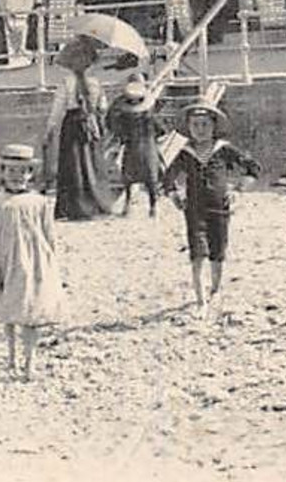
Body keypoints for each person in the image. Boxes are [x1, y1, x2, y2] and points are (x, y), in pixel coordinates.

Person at [163, 101, 261, 319]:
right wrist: (174, 195)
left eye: (205, 124)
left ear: (214, 126)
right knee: (197, 254)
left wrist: (238, 189)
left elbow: (252, 167)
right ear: (188, 127)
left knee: (218, 252)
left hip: (219, 209)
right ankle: (200, 301)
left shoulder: (223, 150)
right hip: (194, 211)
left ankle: (215, 290)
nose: (200, 129)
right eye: (195, 125)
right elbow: (168, 176)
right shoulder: (185, 153)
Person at [0, 143, 62, 380]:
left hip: (36, 265)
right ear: (2, 172)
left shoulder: (39, 202)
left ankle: (30, 363)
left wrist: (50, 263)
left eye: (22, 171)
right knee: (10, 310)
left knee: (32, 313)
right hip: (8, 264)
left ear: (30, 174)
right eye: (11, 171)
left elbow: (49, 234)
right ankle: (12, 358)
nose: (17, 176)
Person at [42, 38, 118, 220]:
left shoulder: (67, 83)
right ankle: (95, 203)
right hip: (90, 125)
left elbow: (58, 109)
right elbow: (103, 107)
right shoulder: (95, 82)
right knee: (92, 164)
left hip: (72, 124)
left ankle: (74, 207)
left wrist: (49, 130)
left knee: (72, 165)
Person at [106, 73, 166, 216]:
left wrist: (120, 136)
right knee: (152, 174)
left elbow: (112, 125)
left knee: (129, 175)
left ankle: (127, 206)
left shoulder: (122, 111)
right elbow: (161, 130)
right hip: (148, 144)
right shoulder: (149, 111)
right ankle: (153, 206)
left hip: (131, 145)